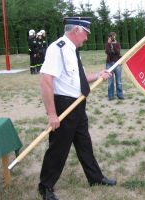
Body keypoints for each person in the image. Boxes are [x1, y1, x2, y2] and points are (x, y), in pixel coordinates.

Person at [39, 17, 116, 200]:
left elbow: (77, 79)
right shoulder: (56, 48)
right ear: (76, 31)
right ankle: (45, 186)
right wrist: (52, 114)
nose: (86, 38)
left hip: (78, 104)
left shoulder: (73, 50)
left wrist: (98, 75)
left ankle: (95, 178)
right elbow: (46, 80)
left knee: (84, 144)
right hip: (65, 105)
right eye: (86, 34)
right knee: (59, 148)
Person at [105, 32, 124, 100]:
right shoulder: (107, 44)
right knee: (110, 81)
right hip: (109, 63)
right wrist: (109, 44)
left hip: (117, 63)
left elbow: (118, 52)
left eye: (114, 36)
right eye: (111, 36)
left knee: (119, 80)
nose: (113, 38)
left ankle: (120, 94)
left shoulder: (117, 44)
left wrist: (114, 45)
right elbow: (108, 52)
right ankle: (111, 96)